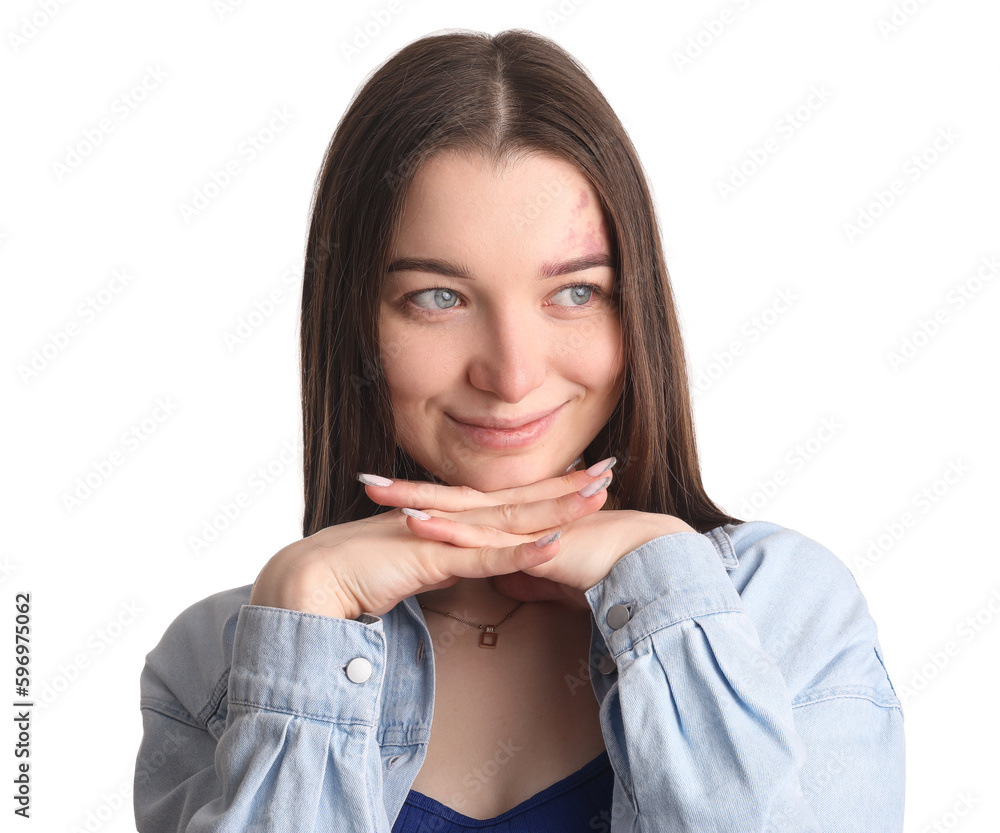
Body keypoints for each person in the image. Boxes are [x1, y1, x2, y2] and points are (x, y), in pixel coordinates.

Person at [133, 28, 905, 832]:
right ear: (353, 326)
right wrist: (303, 624)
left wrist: (663, 602)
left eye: (573, 292)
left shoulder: (784, 611)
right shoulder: (219, 665)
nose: (511, 373)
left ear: (633, 310)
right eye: (439, 297)